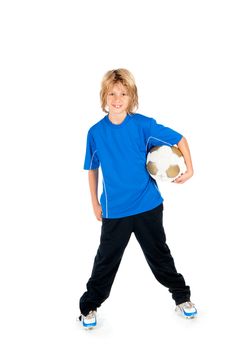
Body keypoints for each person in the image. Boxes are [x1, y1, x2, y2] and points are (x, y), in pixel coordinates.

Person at [79, 68, 197, 329]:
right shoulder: (95, 133)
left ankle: (182, 297)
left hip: (148, 205)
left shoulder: (143, 125)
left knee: (160, 256)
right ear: (104, 96)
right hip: (115, 210)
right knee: (105, 261)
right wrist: (95, 203)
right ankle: (89, 307)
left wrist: (190, 169)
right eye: (112, 93)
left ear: (132, 97)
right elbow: (92, 168)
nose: (117, 98)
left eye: (123, 93)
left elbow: (180, 139)